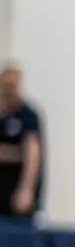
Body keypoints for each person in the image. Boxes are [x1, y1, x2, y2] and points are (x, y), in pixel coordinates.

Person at [0, 62, 44, 222]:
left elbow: (32, 153)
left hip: (16, 200)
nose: (8, 90)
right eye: (5, 86)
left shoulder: (27, 116)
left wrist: (26, 189)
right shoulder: (2, 116)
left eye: (12, 85)